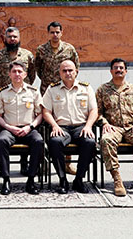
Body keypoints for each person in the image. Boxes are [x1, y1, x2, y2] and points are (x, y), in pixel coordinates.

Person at [41, 59, 98, 194]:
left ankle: (79, 179)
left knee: (89, 142)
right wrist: (54, 126)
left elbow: (94, 110)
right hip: (62, 128)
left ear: (76, 72)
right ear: (60, 73)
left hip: (81, 127)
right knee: (55, 142)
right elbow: (46, 111)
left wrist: (88, 126)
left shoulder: (86, 88)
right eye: (64, 71)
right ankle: (63, 180)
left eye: (70, 70)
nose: (68, 73)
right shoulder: (52, 89)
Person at [95, 58, 133, 197]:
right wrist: (104, 123)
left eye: (121, 68)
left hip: (132, 127)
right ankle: (117, 180)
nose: (118, 70)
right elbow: (97, 112)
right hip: (113, 128)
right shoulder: (102, 90)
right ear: (111, 71)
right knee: (106, 140)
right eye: (116, 68)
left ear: (126, 71)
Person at [0, 60, 44, 195]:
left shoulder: (33, 92)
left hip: (29, 129)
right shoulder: (2, 92)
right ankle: (6, 180)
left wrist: (30, 127)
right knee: (1, 141)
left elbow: (40, 114)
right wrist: (9, 127)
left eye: (19, 71)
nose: (17, 74)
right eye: (14, 71)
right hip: (9, 129)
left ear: (25, 74)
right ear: (9, 74)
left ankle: (31, 180)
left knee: (39, 141)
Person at [33, 21, 79, 94]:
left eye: (57, 32)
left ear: (61, 33)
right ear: (48, 33)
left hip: (64, 86)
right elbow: (38, 67)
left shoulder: (69, 49)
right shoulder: (41, 49)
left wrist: (68, 80)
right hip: (47, 87)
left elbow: (75, 66)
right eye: (52, 32)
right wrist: (46, 78)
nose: (55, 35)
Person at [0, 27, 36, 91]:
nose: (12, 39)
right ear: (5, 38)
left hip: (23, 93)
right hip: (4, 94)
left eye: (15, 37)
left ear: (19, 38)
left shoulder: (28, 55)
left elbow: (32, 75)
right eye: (9, 37)